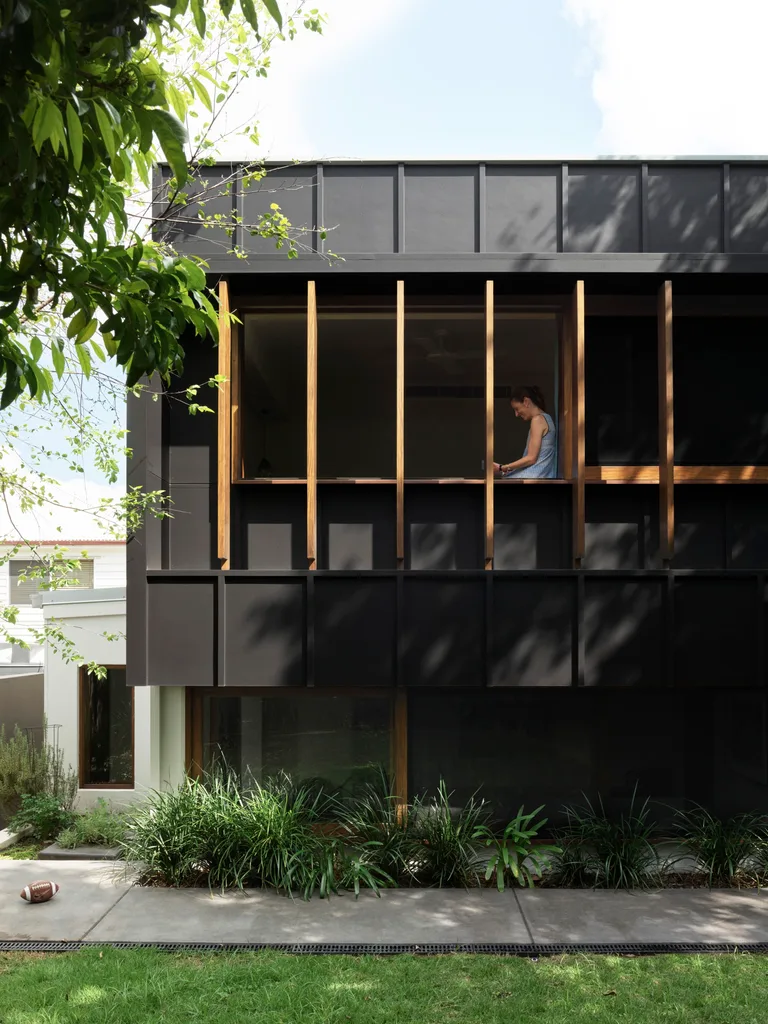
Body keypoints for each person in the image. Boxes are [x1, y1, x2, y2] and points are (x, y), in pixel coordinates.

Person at [493, 385, 557, 479]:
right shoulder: (547, 419)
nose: (516, 414)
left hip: (533, 480)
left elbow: (531, 458)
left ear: (526, 402)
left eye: (517, 408)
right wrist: (502, 470)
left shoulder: (537, 420)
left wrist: (503, 467)